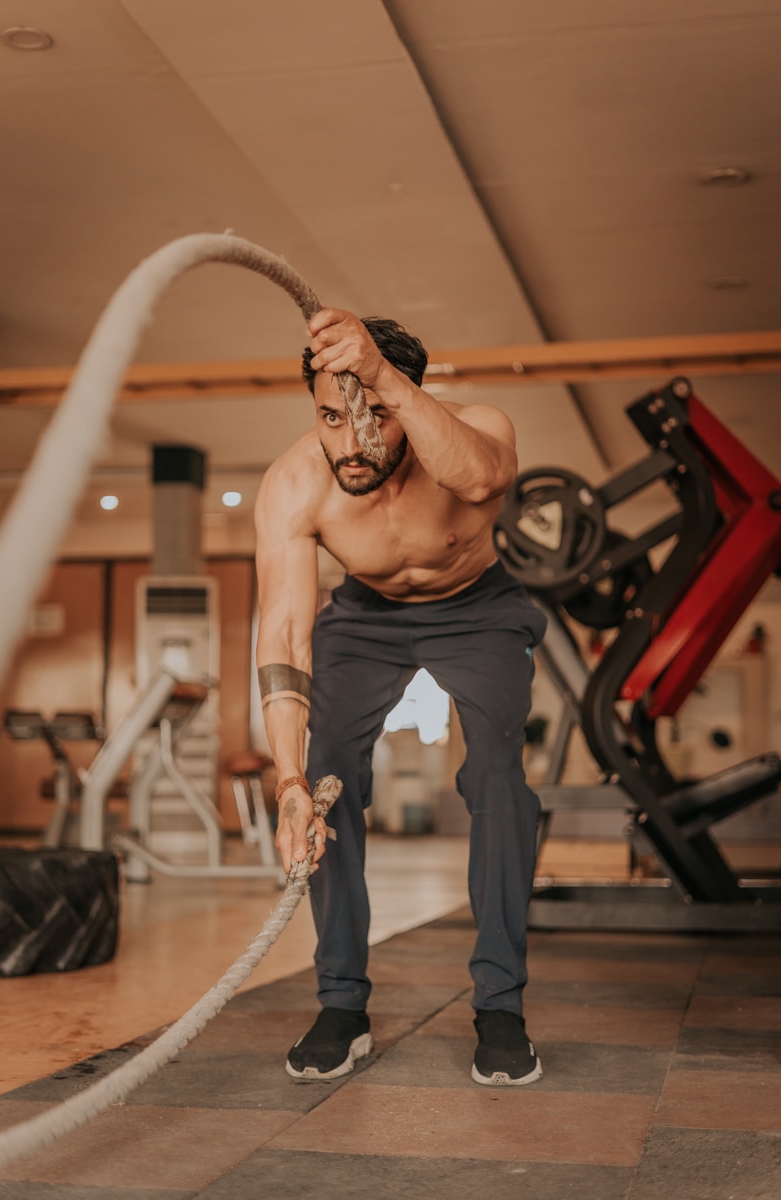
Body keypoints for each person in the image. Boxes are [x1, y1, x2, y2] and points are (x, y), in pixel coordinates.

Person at [254, 307, 547, 1087]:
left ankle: (500, 1008)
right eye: (328, 416)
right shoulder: (294, 483)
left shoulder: (474, 429)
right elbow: (284, 636)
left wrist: (381, 379)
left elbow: (484, 478)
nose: (349, 443)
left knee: (496, 777)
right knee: (327, 777)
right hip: (364, 615)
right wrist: (288, 784)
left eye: (372, 418)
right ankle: (341, 1004)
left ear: (407, 398)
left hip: (478, 608)